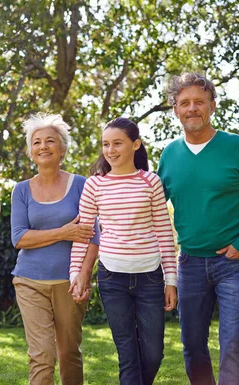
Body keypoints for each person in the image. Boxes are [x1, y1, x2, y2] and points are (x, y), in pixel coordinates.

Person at [158, 72, 239, 385]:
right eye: (185, 103)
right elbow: (153, 209)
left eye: (199, 101)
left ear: (212, 107)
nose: (192, 108)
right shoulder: (169, 155)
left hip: (234, 264)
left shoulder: (236, 147)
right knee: (193, 346)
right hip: (190, 264)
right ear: (176, 111)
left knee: (234, 342)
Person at [70, 118, 177, 385]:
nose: (111, 150)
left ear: (135, 144)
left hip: (150, 277)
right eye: (106, 144)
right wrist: (76, 273)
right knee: (128, 355)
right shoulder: (95, 185)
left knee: (153, 354)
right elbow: (84, 234)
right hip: (112, 278)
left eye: (117, 143)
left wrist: (171, 281)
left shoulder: (150, 182)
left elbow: (164, 232)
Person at [10, 113, 100, 385]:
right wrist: (64, 232)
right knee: (42, 354)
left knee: (69, 352)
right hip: (29, 280)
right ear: (31, 151)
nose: (43, 146)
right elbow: (19, 238)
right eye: (37, 142)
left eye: (51, 141)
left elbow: (94, 235)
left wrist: (84, 275)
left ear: (62, 149)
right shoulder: (21, 190)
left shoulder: (82, 185)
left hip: (69, 282)